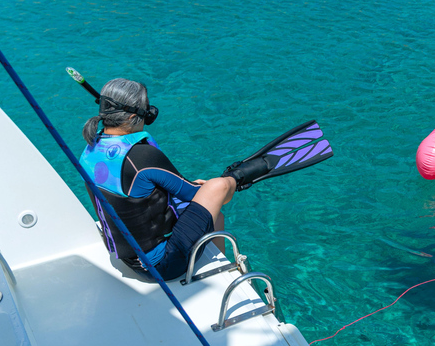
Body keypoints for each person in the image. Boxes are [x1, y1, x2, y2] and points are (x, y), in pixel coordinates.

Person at [79, 78, 332, 281]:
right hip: (159, 266)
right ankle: (241, 176)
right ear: (135, 118)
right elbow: (190, 193)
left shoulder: (90, 149)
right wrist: (216, 188)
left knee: (215, 216)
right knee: (219, 187)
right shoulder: (141, 155)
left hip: (130, 258)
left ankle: (219, 273)